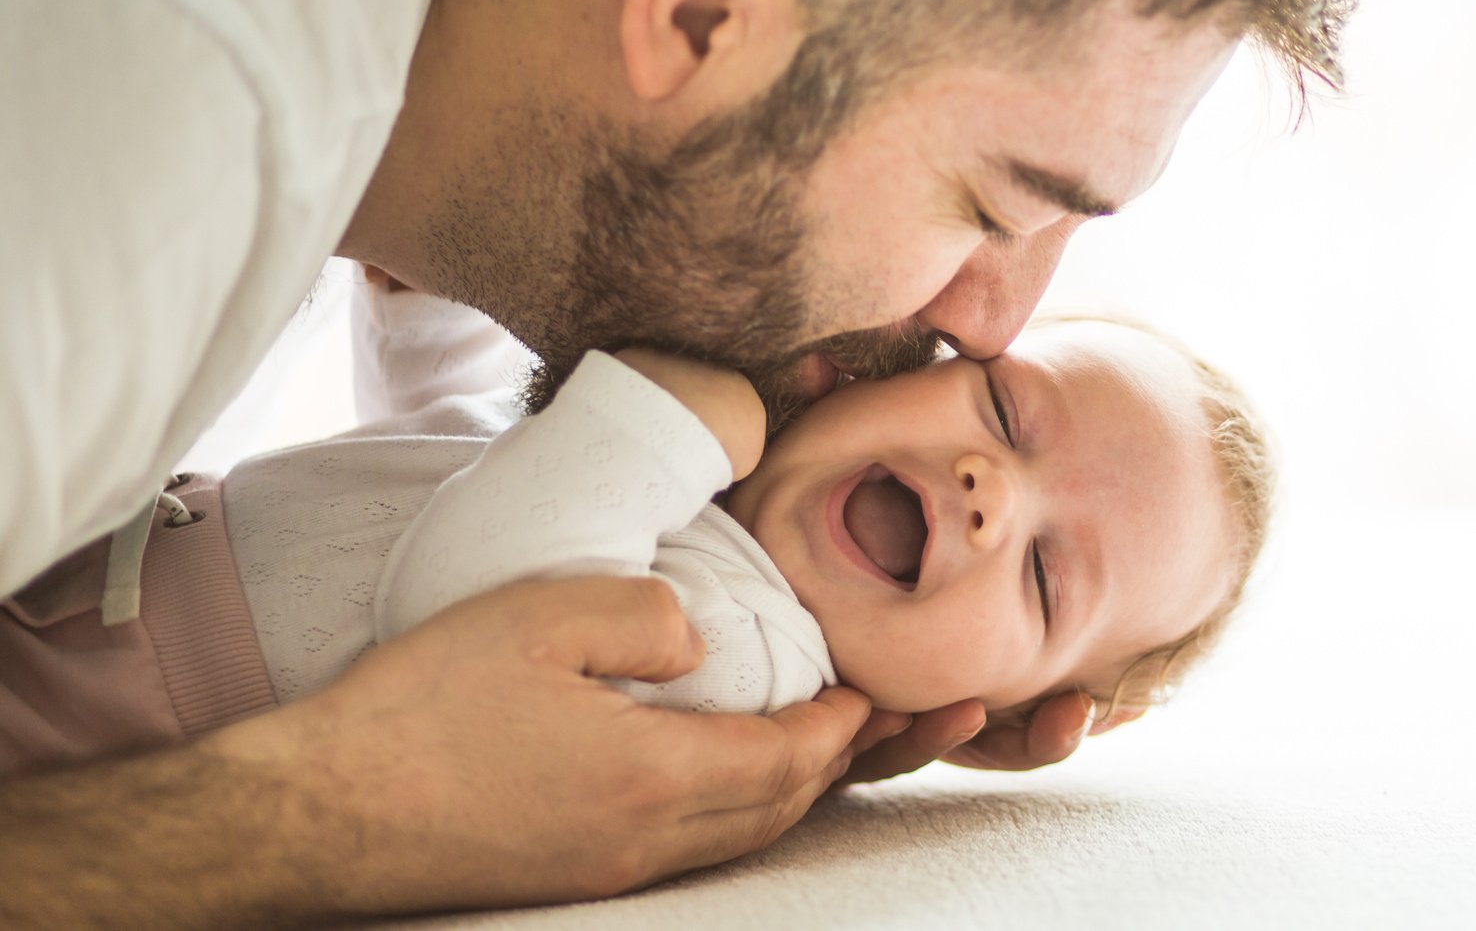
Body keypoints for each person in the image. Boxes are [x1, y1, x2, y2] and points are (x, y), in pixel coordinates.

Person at [0, 0, 1356, 920]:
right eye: (996, 205)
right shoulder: (112, 148)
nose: (990, 322)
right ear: (708, 15)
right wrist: (331, 813)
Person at [0, 280, 1272, 771]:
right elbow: (454, 473)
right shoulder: (686, 519)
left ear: (990, 715)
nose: (996, 494)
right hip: (88, 572)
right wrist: (431, 309)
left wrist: (675, 416)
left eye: (1048, 578)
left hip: (90, 706)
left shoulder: (741, 665)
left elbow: (463, 616)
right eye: (1003, 406)